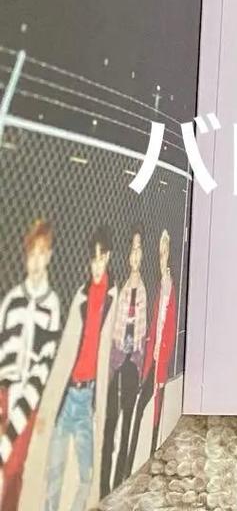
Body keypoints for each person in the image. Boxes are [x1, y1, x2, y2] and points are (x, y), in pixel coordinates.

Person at [45, 227, 116, 511]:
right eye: (93, 259)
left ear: (108, 257)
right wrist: (52, 398)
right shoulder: (81, 296)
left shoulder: (113, 298)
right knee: (53, 474)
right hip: (68, 398)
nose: (96, 266)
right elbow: (66, 349)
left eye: (101, 259)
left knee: (86, 478)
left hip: (87, 401)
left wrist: (102, 405)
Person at [0, 219, 61, 511]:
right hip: (4, 394)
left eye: (41, 253)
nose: (35, 261)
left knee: (12, 469)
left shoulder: (52, 306)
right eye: (31, 254)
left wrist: (9, 435)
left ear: (49, 256)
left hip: (28, 399)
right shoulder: (12, 300)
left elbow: (40, 373)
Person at [100, 227, 147, 496]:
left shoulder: (143, 291)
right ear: (128, 256)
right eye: (132, 250)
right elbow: (113, 329)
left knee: (126, 424)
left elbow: (143, 333)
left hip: (132, 365)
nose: (135, 255)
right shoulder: (122, 289)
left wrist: (139, 367)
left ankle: (121, 481)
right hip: (117, 359)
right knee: (110, 424)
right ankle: (104, 485)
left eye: (139, 250)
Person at [125, 230, 175, 469]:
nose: (161, 258)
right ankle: (133, 457)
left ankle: (154, 451)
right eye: (160, 253)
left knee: (156, 414)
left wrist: (162, 360)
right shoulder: (160, 287)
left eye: (165, 253)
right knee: (140, 407)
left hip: (160, 363)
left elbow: (169, 328)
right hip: (152, 362)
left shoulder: (169, 287)